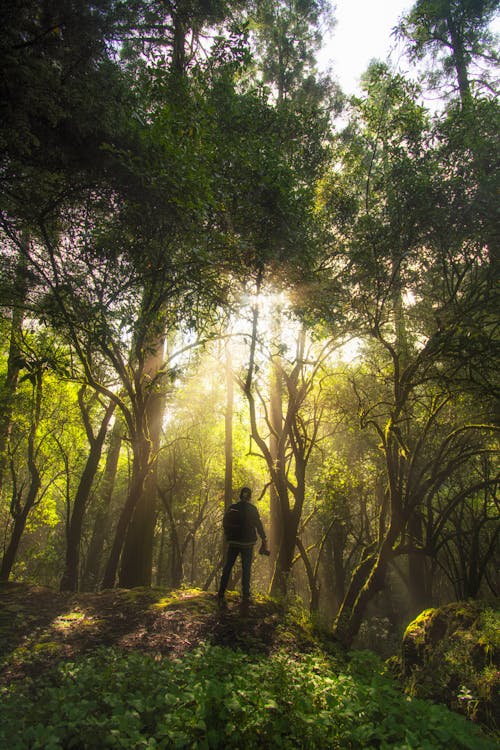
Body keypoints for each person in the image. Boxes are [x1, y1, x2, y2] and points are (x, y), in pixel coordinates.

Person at [218, 486, 269, 603]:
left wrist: (228, 536)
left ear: (240, 495)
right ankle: (246, 594)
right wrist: (264, 538)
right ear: (250, 497)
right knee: (246, 569)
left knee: (228, 567)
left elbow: (225, 523)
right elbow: (258, 524)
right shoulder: (252, 509)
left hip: (233, 543)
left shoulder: (232, 508)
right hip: (247, 543)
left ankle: (221, 592)